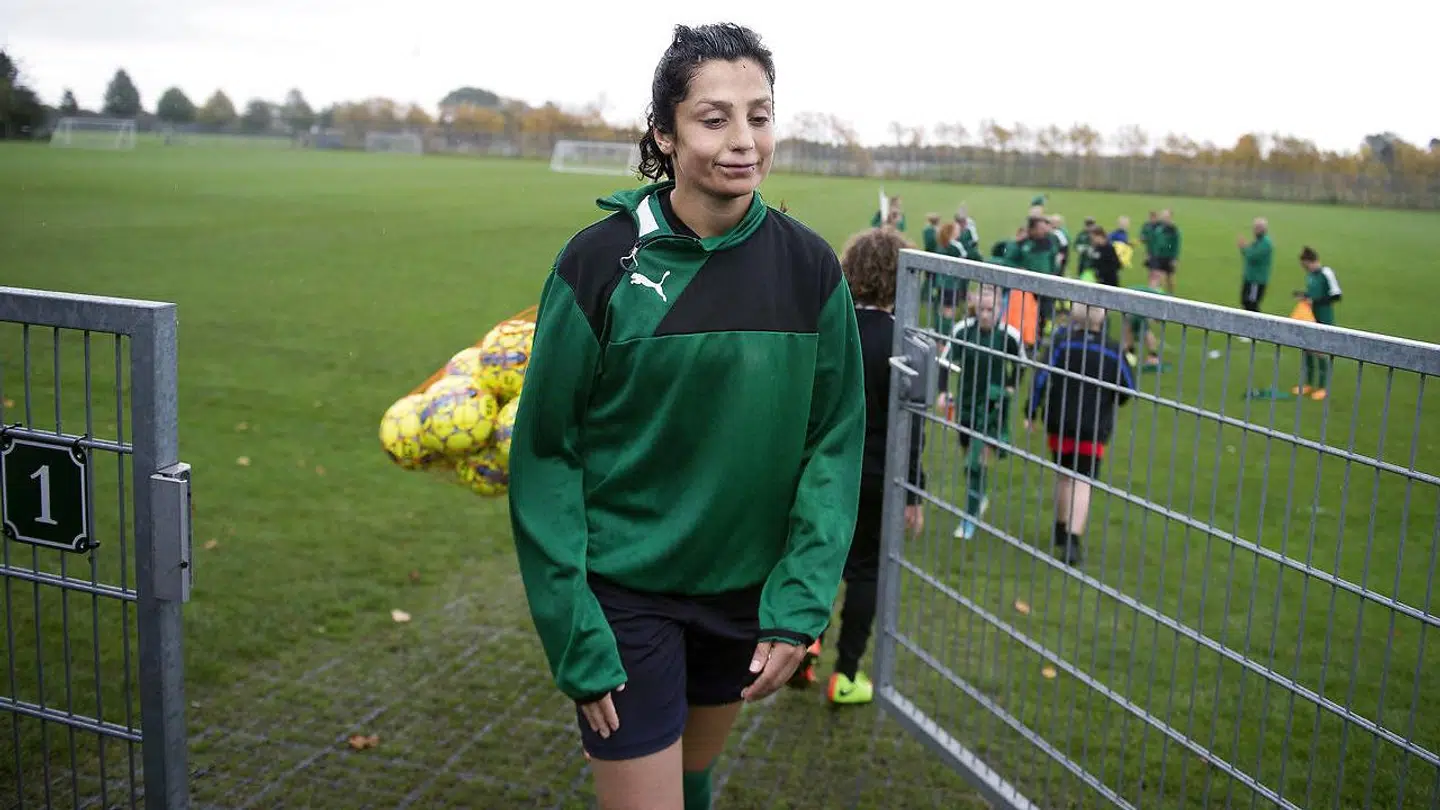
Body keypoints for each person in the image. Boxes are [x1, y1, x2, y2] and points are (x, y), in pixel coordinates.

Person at [506, 23, 867, 810]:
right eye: (714, 119)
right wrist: (574, 627)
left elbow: (834, 446)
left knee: (694, 780)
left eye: (760, 115)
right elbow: (545, 454)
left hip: (745, 597)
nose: (744, 141)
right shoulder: (597, 264)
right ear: (664, 135)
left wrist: (799, 601)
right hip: (625, 597)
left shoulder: (809, 269)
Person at [800, 226, 927, 705]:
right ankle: (846, 675)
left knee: (817, 558)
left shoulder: (832, 328)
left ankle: (805, 644)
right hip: (880, 474)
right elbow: (912, 428)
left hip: (825, 466)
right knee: (867, 570)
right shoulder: (908, 343)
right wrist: (913, 492)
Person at [1024, 302, 1135, 567]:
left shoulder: (1062, 343)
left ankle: (1061, 529)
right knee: (1082, 480)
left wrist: (1031, 409)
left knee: (1064, 475)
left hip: (1060, 420)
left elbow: (1041, 376)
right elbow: (1128, 387)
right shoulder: (1112, 350)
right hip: (1093, 427)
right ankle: (1073, 540)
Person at [936, 288, 1027, 539]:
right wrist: (943, 392)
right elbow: (945, 363)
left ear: (1000, 309)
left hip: (992, 407)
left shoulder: (1009, 335)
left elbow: (1021, 364)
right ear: (974, 307)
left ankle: (970, 518)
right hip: (966, 404)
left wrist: (1009, 386)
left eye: (991, 309)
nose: (986, 315)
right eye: (982, 309)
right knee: (969, 459)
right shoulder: (962, 330)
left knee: (977, 460)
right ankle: (980, 495)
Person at [1292, 246, 1342, 401]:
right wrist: (1303, 295)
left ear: (1310, 261)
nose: (1304, 268)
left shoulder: (1326, 273)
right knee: (1307, 348)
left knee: (1320, 351)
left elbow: (1336, 296)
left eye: (1305, 265)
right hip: (1310, 317)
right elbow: (1313, 294)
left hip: (1324, 317)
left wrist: (1315, 300)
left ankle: (1322, 387)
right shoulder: (1310, 276)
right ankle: (1308, 384)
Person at [1238, 217, 1274, 315]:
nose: (1254, 230)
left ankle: (1259, 327)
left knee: (1252, 305)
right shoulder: (1259, 241)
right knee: (1245, 302)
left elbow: (1251, 256)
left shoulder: (1265, 243)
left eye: (1256, 228)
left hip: (1256, 281)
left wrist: (1243, 248)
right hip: (1250, 279)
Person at [1148, 209, 1182, 294]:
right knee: (1157, 275)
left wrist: (1174, 258)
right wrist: (1150, 253)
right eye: (1163, 216)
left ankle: (1171, 295)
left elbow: (1176, 244)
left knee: (1170, 278)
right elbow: (1154, 241)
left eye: (1166, 216)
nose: (1164, 218)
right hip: (1158, 256)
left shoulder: (1173, 229)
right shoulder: (1159, 228)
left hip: (1169, 256)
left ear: (1170, 217)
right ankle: (1157, 294)